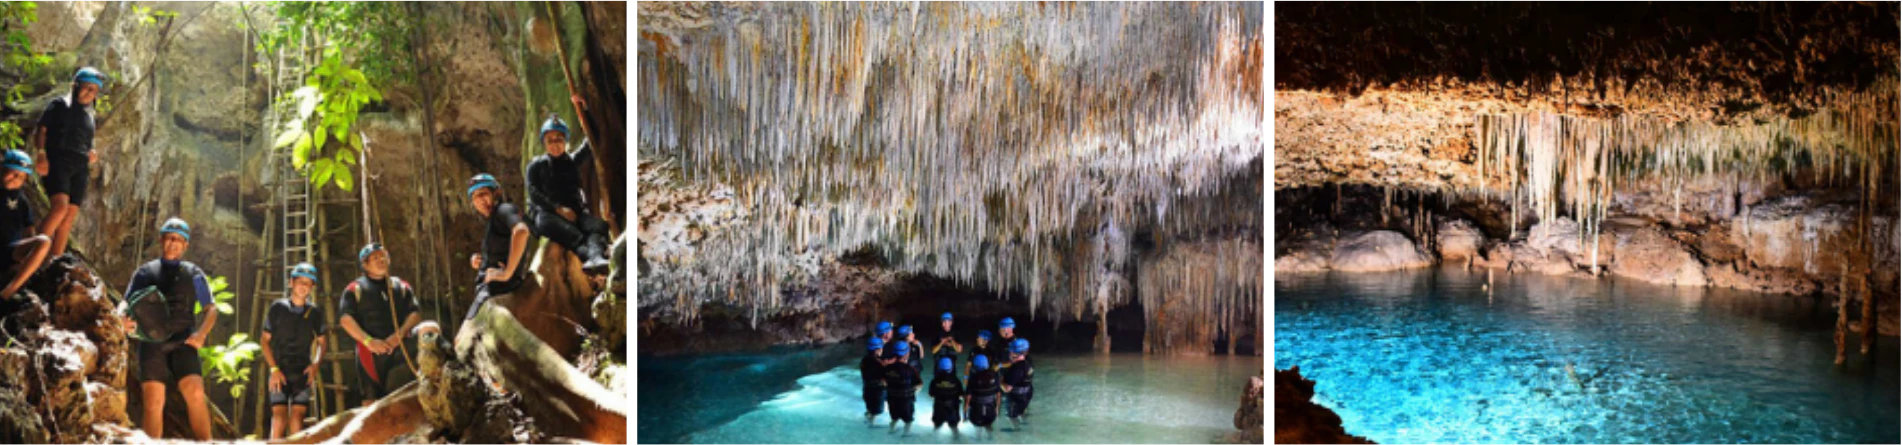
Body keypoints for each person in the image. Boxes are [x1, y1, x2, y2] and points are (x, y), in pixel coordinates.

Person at [119, 218, 216, 440]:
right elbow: (125, 302)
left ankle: (206, 442)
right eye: (169, 238)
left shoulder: (193, 273)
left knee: (195, 392)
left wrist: (201, 334)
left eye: (179, 240)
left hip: (184, 340)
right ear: (162, 240)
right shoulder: (145, 272)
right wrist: (121, 319)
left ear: (185, 245)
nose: (173, 243)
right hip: (151, 342)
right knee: (153, 401)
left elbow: (211, 309)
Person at [33, 67, 105, 260]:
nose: (90, 93)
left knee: (69, 218)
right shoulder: (59, 105)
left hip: (80, 167)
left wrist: (91, 152)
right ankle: (32, 252)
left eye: (94, 90)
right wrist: (41, 155)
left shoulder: (89, 116)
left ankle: (55, 261)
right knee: (59, 208)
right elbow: (42, 130)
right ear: (76, 86)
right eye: (87, 87)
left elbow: (86, 141)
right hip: (59, 160)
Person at [524, 115, 611, 274]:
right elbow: (533, 193)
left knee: (599, 226)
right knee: (555, 226)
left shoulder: (571, 161)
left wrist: (585, 111)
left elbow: (589, 141)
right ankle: (588, 256)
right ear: (544, 143)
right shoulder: (536, 165)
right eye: (550, 140)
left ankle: (596, 258)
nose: (555, 144)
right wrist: (558, 209)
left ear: (566, 141)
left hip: (575, 213)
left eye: (559, 139)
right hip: (550, 214)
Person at [338, 243, 422, 405]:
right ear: (365, 264)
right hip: (369, 351)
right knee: (370, 400)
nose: (381, 260)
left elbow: (415, 313)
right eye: (375, 258)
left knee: (403, 396)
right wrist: (369, 341)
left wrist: (399, 335)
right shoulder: (355, 288)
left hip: (399, 347)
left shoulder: (401, 286)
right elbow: (345, 319)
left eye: (383, 256)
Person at [262, 263, 327, 439]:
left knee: (297, 419)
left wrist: (315, 365)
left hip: (302, 371)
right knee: (279, 418)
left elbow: (322, 342)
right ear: (291, 282)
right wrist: (274, 369)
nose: (304, 286)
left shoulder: (315, 313)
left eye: (308, 283)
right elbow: (264, 340)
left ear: (312, 287)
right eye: (300, 282)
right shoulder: (278, 308)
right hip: (279, 368)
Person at [465, 173, 535, 320]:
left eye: (483, 194)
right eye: (475, 197)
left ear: (496, 193)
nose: (480, 201)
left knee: (467, 332)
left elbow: (521, 231)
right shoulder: (495, 220)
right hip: (496, 288)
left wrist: (507, 273)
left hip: (494, 290)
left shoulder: (504, 210)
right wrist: (482, 261)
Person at [0, 150, 50, 299]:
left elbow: (29, 230)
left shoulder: (22, 201)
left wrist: (26, 258)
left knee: (44, 241)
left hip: (10, 250)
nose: (15, 179)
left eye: (21, 177)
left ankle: (9, 291)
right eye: (13, 173)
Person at [883, 340, 921, 436]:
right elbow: (919, 384)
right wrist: (915, 391)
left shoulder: (887, 368)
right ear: (907, 354)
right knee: (908, 419)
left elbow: (883, 381)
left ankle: (891, 429)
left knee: (894, 417)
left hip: (892, 398)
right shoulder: (910, 369)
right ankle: (906, 433)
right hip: (906, 399)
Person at [1000, 338, 1035, 429]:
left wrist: (999, 381)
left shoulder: (1016, 369)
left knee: (1011, 416)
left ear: (1016, 353)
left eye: (1011, 351)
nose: (1010, 352)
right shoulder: (1028, 363)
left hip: (1016, 397)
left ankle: (1016, 429)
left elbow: (1007, 389)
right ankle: (1025, 423)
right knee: (1021, 411)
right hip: (1027, 394)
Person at [965, 354, 1002, 440]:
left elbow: (968, 397)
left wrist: (965, 412)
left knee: (977, 424)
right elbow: (998, 394)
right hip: (990, 407)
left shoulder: (973, 378)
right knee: (988, 423)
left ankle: (978, 438)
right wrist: (997, 408)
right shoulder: (995, 375)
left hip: (976, 408)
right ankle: (990, 437)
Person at [927, 357, 965, 438]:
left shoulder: (935, 381)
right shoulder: (956, 380)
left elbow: (931, 395)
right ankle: (956, 439)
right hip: (952, 407)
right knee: (954, 428)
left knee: (937, 427)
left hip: (939, 407)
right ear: (951, 367)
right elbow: (961, 395)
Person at [859, 337, 887, 426]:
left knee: (870, 408)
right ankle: (871, 424)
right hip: (877, 390)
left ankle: (868, 418)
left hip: (867, 388)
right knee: (877, 411)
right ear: (877, 350)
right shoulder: (879, 362)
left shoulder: (864, 360)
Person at [931, 312, 961, 379]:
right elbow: (933, 351)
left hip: (951, 365)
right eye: (944, 321)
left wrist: (952, 341)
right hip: (939, 365)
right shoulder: (936, 333)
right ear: (941, 322)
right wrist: (942, 343)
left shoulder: (956, 333)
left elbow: (959, 350)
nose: (945, 324)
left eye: (948, 321)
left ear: (951, 322)